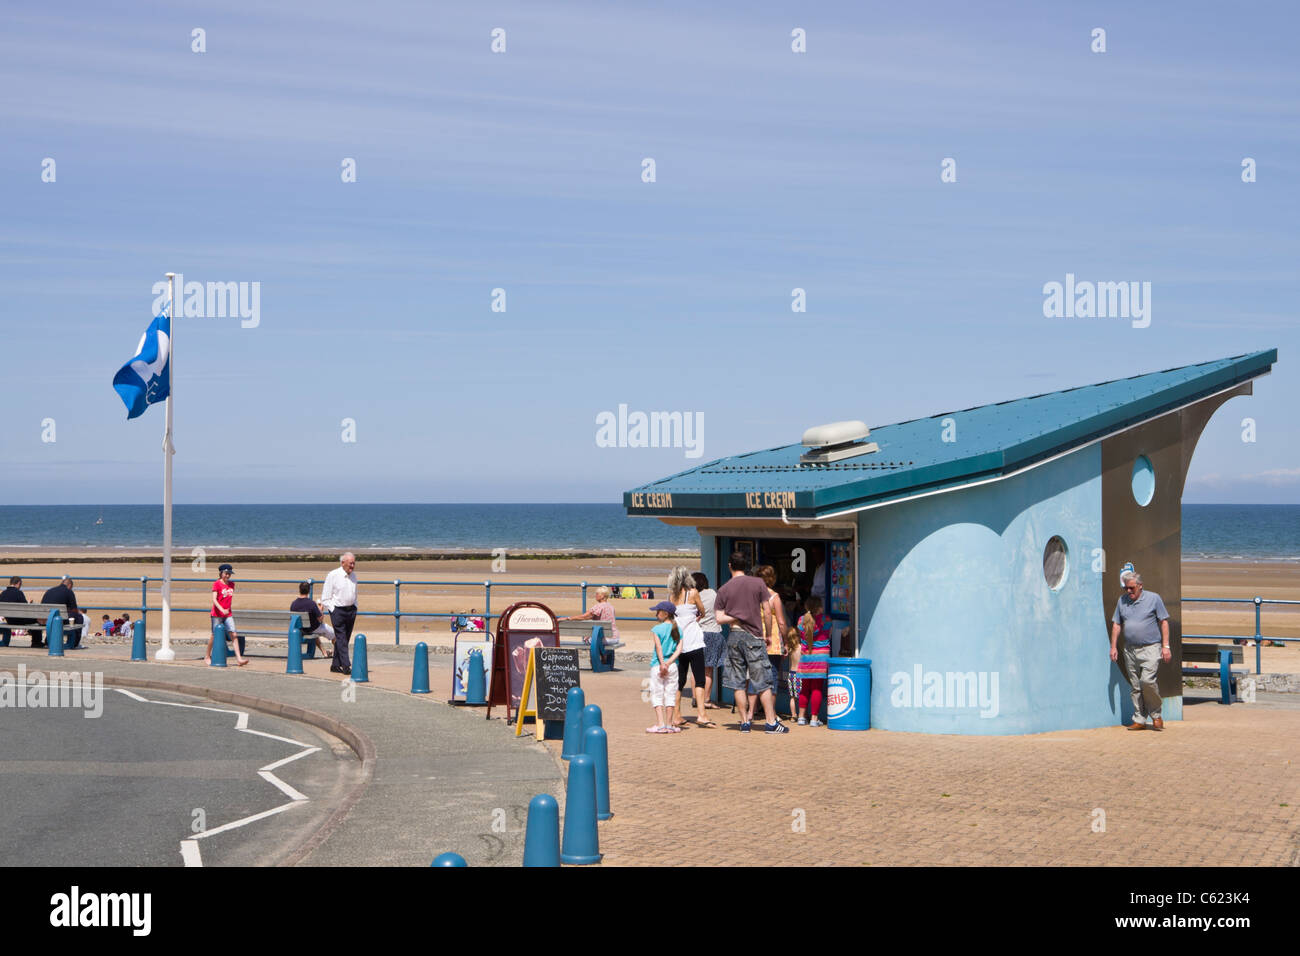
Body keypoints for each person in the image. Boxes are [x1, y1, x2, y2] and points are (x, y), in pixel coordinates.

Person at [714, 551, 788, 734]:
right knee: (762, 680)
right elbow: (767, 608)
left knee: (738, 682)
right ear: (746, 566)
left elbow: (719, 618)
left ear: (730, 566)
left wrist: (736, 616)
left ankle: (744, 721)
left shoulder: (724, 589)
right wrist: (768, 634)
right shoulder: (758, 583)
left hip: (734, 636)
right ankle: (771, 722)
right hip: (754, 636)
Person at [1110, 572, 1171, 731]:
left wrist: (1166, 646)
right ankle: (1139, 719)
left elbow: (1163, 622)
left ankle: (1156, 715)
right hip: (1130, 649)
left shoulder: (1154, 598)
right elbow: (1117, 624)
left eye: (1131, 588)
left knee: (1147, 681)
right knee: (1136, 686)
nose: (1128, 591)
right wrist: (1113, 646)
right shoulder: (1122, 601)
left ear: (1140, 586)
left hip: (1151, 647)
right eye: (1126, 588)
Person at [746, 565, 791, 724]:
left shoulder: (751, 596)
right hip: (772, 642)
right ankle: (770, 713)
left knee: (754, 676)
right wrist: (786, 641)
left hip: (753, 640)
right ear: (772, 578)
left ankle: (750, 712)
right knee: (771, 677)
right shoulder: (774, 597)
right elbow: (781, 622)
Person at [668, 567, 711, 728]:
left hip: (679, 641)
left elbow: (670, 616)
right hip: (694, 640)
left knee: (679, 680)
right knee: (699, 678)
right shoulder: (693, 593)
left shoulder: (671, 596)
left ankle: (677, 715)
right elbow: (702, 611)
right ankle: (701, 714)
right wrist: (696, 617)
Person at [646, 601, 683, 734]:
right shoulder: (677, 629)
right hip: (673, 666)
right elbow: (679, 649)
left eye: (658, 611)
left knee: (657, 693)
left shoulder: (657, 629)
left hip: (658, 665)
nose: (656, 614)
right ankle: (669, 724)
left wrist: (662, 664)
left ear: (665, 614)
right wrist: (668, 663)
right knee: (670, 694)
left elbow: (658, 648)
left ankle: (660, 724)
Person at [795, 595, 832, 726]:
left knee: (805, 688)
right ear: (820, 607)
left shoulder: (801, 620)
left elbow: (801, 635)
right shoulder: (826, 619)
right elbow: (829, 633)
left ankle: (801, 717)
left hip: (806, 657)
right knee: (817, 688)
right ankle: (814, 719)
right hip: (821, 658)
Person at [321, 553, 358, 675]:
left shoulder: (354, 576)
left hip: (351, 610)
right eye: (350, 563)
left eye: (354, 563)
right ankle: (346, 665)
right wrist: (333, 610)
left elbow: (354, 593)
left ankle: (335, 665)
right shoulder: (333, 575)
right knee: (341, 638)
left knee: (345, 639)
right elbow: (325, 597)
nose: (352, 566)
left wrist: (355, 607)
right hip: (338, 611)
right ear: (343, 563)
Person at [692, 572, 724, 711]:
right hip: (712, 633)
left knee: (695, 670)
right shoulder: (712, 594)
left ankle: (695, 698)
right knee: (708, 670)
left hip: (697, 634)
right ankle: (706, 699)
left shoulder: (693, 596)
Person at [206, 563, 248, 666]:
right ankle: (207, 655)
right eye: (226, 573)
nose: (228, 576)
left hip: (228, 614)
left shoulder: (232, 584)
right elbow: (214, 600)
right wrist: (221, 609)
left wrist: (227, 610)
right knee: (214, 635)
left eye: (229, 574)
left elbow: (229, 599)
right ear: (221, 573)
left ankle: (239, 659)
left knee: (234, 634)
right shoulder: (216, 584)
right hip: (217, 614)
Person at [290, 582, 333, 658]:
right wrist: (321, 609)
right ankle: (339, 653)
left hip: (300, 629)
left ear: (300, 590)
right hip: (312, 628)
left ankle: (324, 652)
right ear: (309, 591)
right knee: (335, 635)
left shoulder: (293, 604)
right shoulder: (311, 603)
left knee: (314, 632)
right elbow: (320, 618)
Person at [41, 575, 85, 649]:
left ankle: (47, 641)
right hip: (58, 620)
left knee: (58, 617)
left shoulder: (50, 590)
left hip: (44, 619)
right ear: (70, 585)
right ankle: (75, 643)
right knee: (79, 617)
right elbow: (74, 609)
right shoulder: (69, 592)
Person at [0, 575, 42, 647]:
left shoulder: (3, 593)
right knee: (38, 620)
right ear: (18, 583)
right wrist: (29, 603)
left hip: (9, 620)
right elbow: (25, 609)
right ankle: (36, 642)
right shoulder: (19, 593)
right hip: (19, 620)